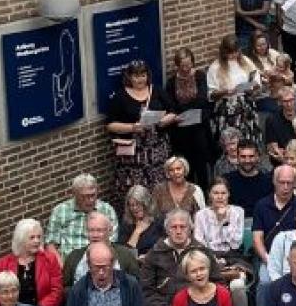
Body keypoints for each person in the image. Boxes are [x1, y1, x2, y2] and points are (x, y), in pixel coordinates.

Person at [106, 60, 178, 202]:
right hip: (133, 154)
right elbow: (110, 125)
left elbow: (173, 111)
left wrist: (163, 121)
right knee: (136, 191)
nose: (140, 79)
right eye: (136, 76)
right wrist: (132, 127)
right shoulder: (120, 97)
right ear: (129, 77)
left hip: (157, 150)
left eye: (143, 75)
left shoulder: (156, 91)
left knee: (159, 186)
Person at [140, 209, 223, 306]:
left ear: (190, 229)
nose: (178, 231)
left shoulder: (202, 251)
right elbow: (147, 292)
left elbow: (218, 283)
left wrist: (204, 304)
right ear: (167, 230)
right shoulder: (154, 254)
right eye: (174, 227)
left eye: (183, 227)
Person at [193, 177, 250, 306]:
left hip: (233, 258)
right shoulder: (201, 215)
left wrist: (223, 221)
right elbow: (199, 243)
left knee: (237, 285)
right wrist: (212, 259)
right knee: (211, 285)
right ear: (209, 194)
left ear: (228, 194)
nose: (220, 197)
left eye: (223, 193)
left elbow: (236, 244)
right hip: (209, 259)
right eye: (216, 193)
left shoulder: (238, 212)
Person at [253, 165, 296, 306]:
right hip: (270, 258)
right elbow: (257, 238)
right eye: (282, 182)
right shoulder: (262, 205)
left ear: (295, 183)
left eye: (289, 183)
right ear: (274, 182)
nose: (285, 187)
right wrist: (268, 260)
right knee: (265, 283)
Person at [0, 217, 62, 306]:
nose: (37, 241)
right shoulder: (3, 264)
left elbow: (57, 291)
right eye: (32, 237)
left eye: (39, 237)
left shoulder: (50, 259)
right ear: (21, 239)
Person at [165, 48, 212, 190]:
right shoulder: (171, 82)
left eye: (189, 64)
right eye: (183, 66)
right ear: (177, 65)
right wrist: (184, 110)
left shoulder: (199, 76)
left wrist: (183, 108)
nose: (186, 69)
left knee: (201, 164)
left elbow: (202, 99)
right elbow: (171, 105)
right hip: (181, 129)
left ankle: (203, 191)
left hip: (199, 126)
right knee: (186, 163)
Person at [45, 173, 119, 261]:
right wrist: (63, 267)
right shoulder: (60, 211)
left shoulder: (107, 210)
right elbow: (51, 245)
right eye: (85, 196)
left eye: (93, 195)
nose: (90, 200)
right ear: (75, 194)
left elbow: (111, 243)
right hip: (68, 262)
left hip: (98, 261)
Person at [206, 35, 263, 147]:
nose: (233, 55)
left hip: (245, 104)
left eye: (236, 52)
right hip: (227, 108)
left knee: (248, 138)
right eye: (230, 53)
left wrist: (252, 87)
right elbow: (211, 94)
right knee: (231, 140)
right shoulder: (215, 67)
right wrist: (225, 92)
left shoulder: (245, 61)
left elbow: (256, 79)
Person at [61, 211, 139, 291]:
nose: (95, 235)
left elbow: (136, 285)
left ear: (110, 231)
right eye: (91, 230)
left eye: (99, 230)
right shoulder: (74, 257)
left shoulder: (125, 255)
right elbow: (64, 287)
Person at [223, 138, 274, 219]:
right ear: (237, 157)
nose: (247, 160)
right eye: (243, 157)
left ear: (257, 157)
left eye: (251, 156)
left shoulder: (268, 181)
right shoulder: (227, 181)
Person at [117, 185, 163, 258]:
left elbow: (165, 247)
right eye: (132, 205)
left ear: (146, 203)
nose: (135, 208)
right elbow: (124, 255)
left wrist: (148, 256)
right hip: (134, 262)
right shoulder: (126, 223)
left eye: (138, 204)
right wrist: (137, 232)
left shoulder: (159, 220)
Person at [264, 86, 296, 162]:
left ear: (295, 100)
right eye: (285, 101)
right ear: (280, 102)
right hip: (281, 159)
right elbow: (271, 145)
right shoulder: (272, 120)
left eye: (291, 100)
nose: (289, 104)